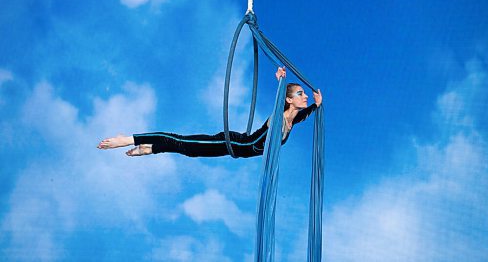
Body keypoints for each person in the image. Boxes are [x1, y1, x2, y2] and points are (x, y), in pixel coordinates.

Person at [97, 67, 322, 157]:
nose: (304, 96)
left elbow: (301, 116)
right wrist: (280, 82)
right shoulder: (279, 118)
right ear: (288, 99)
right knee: (181, 141)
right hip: (230, 144)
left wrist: (315, 105)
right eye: (300, 93)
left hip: (234, 149)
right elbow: (278, 105)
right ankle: (126, 139)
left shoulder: (293, 119)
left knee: (189, 151)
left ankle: (151, 148)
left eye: (304, 94)